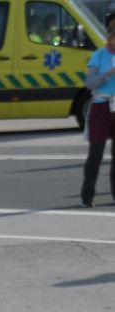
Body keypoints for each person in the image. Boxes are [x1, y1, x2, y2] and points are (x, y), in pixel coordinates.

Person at [80, 17, 115, 207]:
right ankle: (87, 196)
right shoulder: (99, 55)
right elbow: (89, 84)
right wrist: (108, 74)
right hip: (102, 105)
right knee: (96, 153)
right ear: (110, 37)